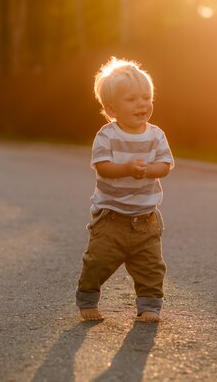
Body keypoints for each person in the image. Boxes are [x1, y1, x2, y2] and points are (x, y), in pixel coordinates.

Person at [76, 57, 174, 323]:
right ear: (111, 108)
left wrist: (148, 170)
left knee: (152, 267)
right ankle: (87, 297)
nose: (142, 104)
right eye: (132, 99)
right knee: (97, 261)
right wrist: (128, 168)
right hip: (112, 217)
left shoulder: (156, 135)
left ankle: (149, 307)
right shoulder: (107, 135)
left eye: (146, 97)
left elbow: (165, 165)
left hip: (146, 219)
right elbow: (103, 167)